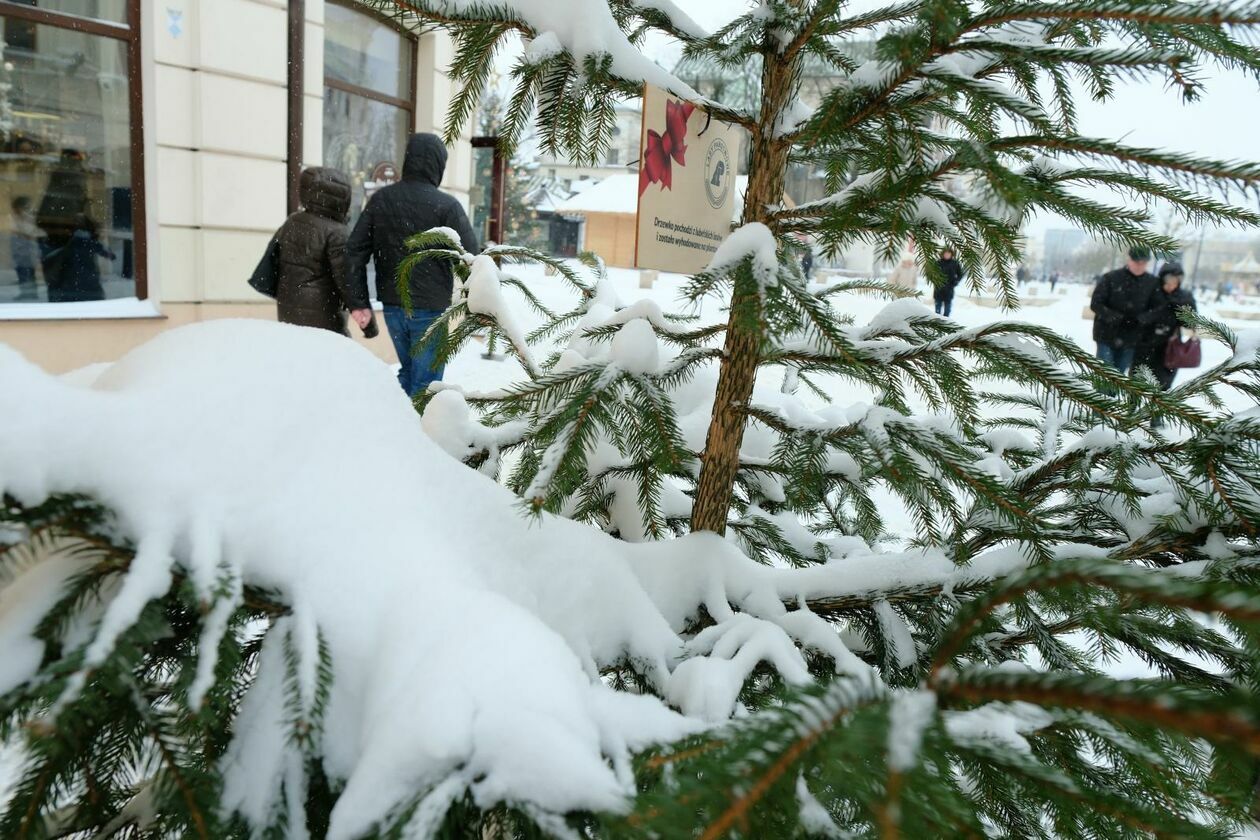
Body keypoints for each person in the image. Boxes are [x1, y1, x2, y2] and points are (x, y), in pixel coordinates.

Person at [346, 133, 479, 397]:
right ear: (438, 165)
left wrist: (358, 300)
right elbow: (471, 255)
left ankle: (398, 426)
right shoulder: (447, 205)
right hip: (430, 308)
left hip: (393, 305)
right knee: (427, 382)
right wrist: (475, 301)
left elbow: (354, 251)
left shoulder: (381, 200)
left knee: (409, 370)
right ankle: (416, 434)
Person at [268, 166, 374, 337]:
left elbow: (275, 264)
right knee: (330, 359)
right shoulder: (337, 232)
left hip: (288, 309)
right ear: (342, 198)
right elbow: (347, 281)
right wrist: (368, 324)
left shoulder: (292, 222)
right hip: (323, 315)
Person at [1090, 246, 1160, 373]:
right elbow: (1096, 303)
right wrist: (1116, 317)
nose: (1139, 265)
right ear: (1129, 260)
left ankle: (1111, 393)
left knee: (1119, 375)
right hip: (1106, 334)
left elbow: (1157, 308)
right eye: (1136, 261)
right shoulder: (1110, 278)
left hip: (1133, 337)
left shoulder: (1153, 283)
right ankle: (1101, 393)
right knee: (1104, 373)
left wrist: (1140, 319)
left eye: (1143, 263)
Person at [1136, 262, 1196, 391]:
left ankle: (1155, 410)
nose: (1173, 283)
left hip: (1169, 348)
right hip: (1144, 344)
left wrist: (1179, 308)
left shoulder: (1184, 297)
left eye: (1177, 279)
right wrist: (1161, 310)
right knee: (1136, 384)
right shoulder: (1150, 292)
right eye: (1169, 278)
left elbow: (1191, 323)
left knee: (1163, 386)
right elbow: (1139, 317)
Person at [10, 196, 41, 301]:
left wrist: (19, 234)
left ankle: (29, 293)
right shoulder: (21, 217)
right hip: (21, 251)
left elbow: (29, 233)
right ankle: (28, 293)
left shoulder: (27, 217)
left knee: (25, 272)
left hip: (26, 251)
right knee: (24, 272)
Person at [934, 248, 963, 316]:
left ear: (951, 254)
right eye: (945, 253)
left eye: (948, 253)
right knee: (937, 307)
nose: (947, 255)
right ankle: (937, 320)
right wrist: (935, 281)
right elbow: (932, 273)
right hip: (939, 288)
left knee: (948, 307)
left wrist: (955, 282)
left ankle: (946, 320)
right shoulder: (938, 263)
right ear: (943, 254)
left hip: (949, 288)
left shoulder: (955, 263)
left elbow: (960, 274)